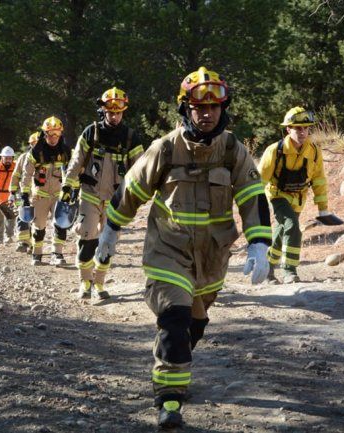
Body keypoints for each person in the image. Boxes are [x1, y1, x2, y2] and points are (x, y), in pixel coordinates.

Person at [96, 67, 272, 428]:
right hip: (167, 251)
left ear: (224, 109)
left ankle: (176, 358)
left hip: (211, 257)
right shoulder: (165, 148)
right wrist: (110, 229)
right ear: (185, 109)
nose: (206, 114)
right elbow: (131, 189)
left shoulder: (233, 150)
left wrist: (259, 243)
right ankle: (169, 400)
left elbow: (254, 197)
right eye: (197, 107)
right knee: (174, 319)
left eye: (214, 107)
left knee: (194, 324)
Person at [62, 86, 145, 300]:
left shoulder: (130, 138)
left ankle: (99, 283)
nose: (115, 116)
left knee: (107, 244)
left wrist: (139, 195)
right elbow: (76, 161)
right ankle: (85, 281)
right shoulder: (91, 132)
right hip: (89, 195)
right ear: (103, 111)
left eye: (119, 112)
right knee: (87, 236)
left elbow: (141, 169)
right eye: (111, 112)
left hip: (115, 201)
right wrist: (67, 186)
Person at [257, 107, 339, 284]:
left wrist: (323, 209)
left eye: (306, 128)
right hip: (277, 195)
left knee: (281, 231)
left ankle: (267, 269)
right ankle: (289, 271)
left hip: (298, 200)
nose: (302, 132)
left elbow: (318, 180)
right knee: (292, 225)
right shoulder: (274, 151)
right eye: (297, 128)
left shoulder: (314, 151)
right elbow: (259, 181)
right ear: (288, 129)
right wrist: (254, 207)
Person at [20, 117, 72, 265]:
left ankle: (58, 254)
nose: (54, 137)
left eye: (57, 133)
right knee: (39, 226)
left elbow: (72, 172)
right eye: (50, 133)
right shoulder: (36, 152)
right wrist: (24, 194)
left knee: (61, 224)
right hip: (40, 195)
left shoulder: (66, 151)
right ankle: (37, 254)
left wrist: (72, 190)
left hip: (58, 194)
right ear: (45, 133)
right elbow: (27, 173)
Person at [10, 134, 36, 253]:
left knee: (35, 219)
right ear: (30, 144)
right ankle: (23, 243)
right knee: (21, 216)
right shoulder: (23, 157)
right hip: (21, 193)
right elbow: (15, 175)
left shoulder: (45, 158)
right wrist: (12, 192)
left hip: (38, 194)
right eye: (33, 143)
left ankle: (34, 244)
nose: (35, 145)